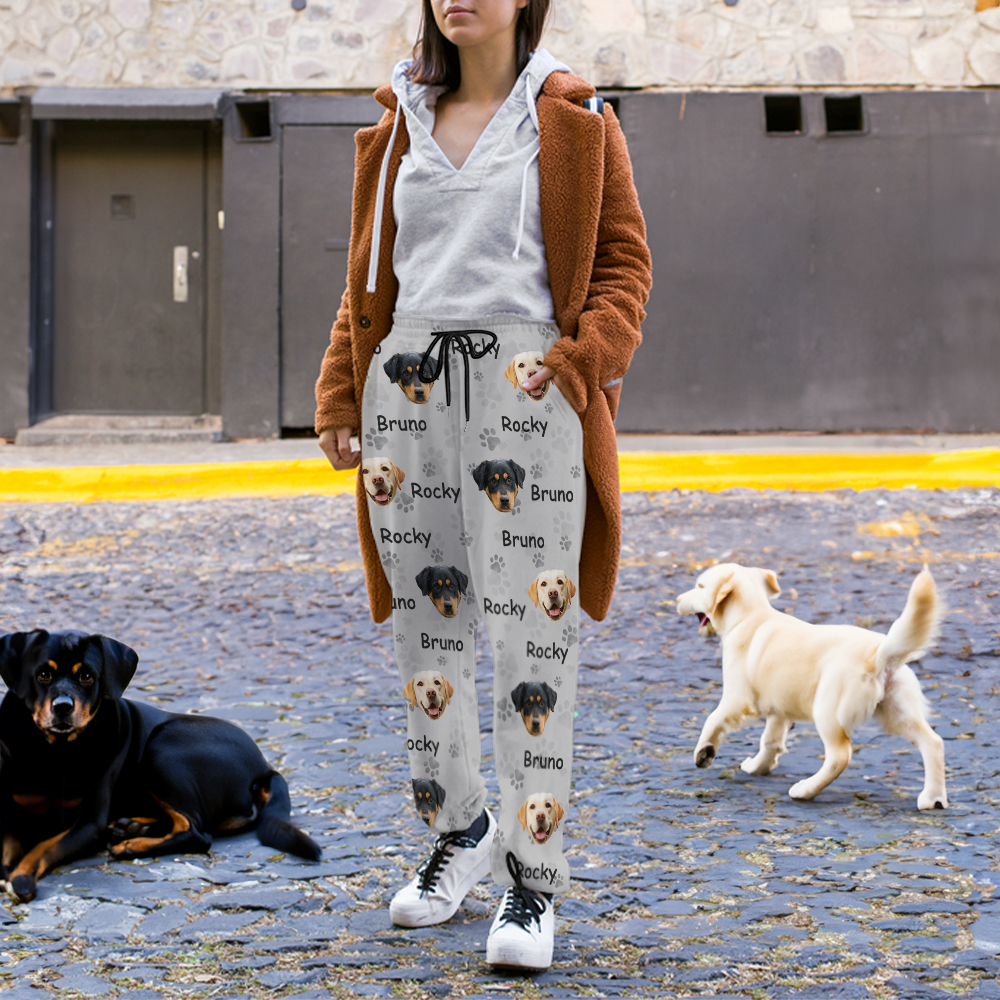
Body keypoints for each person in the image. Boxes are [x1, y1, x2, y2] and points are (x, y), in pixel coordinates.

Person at [314, 0, 651, 971]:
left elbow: (626, 265)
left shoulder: (571, 116)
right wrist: (341, 391)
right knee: (427, 633)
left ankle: (532, 880)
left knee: (529, 637)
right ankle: (457, 832)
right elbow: (366, 279)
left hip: (525, 387)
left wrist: (582, 362)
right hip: (405, 393)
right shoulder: (395, 123)